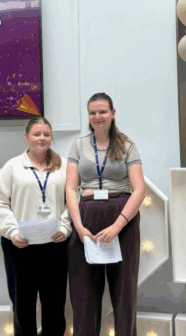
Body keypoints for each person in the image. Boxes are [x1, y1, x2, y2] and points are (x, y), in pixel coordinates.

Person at [66, 93, 145, 336]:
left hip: (121, 219)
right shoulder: (78, 145)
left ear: (112, 113)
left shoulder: (128, 145)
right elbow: (70, 187)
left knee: (124, 292)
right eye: (92, 112)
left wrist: (117, 226)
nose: (97, 116)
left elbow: (139, 189)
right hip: (85, 218)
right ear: (88, 116)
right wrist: (78, 227)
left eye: (102, 111)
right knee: (84, 294)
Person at [0, 117, 72, 336]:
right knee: (22, 306)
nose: (42, 138)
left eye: (46, 134)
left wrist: (64, 228)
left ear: (51, 137)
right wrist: (12, 231)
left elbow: (72, 202)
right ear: (26, 137)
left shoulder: (64, 166)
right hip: (19, 247)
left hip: (54, 247)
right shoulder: (12, 166)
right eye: (37, 134)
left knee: (54, 307)